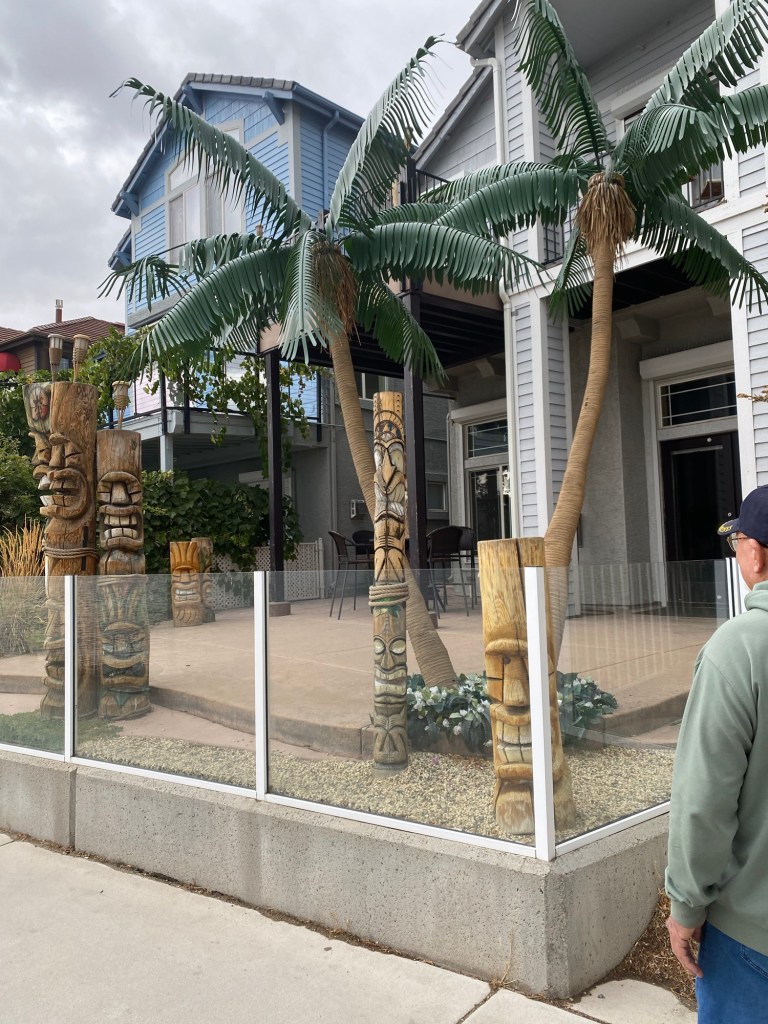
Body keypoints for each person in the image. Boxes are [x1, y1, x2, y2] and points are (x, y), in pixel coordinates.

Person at [666, 484, 768, 1022]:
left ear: (754, 554)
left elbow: (703, 801)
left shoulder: (739, 650)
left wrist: (686, 905)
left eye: (737, 543)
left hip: (754, 936)